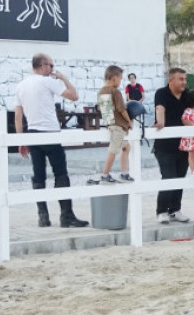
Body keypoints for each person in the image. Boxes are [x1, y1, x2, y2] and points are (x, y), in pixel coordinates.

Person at [15, 53, 89, 228]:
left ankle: (43, 216)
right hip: (50, 132)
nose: (52, 69)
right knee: (60, 173)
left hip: (32, 133)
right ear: (43, 66)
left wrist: (20, 139)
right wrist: (63, 78)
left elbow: (18, 116)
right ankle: (66, 215)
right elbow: (74, 96)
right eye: (51, 65)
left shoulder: (21, 86)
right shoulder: (47, 81)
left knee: (38, 175)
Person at [153, 67, 192, 224]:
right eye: (180, 79)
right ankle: (161, 211)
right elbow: (160, 108)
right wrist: (160, 122)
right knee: (169, 177)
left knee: (181, 178)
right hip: (164, 146)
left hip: (183, 145)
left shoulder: (187, 95)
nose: (184, 82)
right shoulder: (161, 93)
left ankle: (175, 210)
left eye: (185, 79)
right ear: (171, 80)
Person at [96, 65, 134, 184]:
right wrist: (129, 121)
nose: (120, 81)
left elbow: (104, 110)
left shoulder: (101, 92)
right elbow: (122, 109)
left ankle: (124, 173)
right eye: (120, 79)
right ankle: (105, 175)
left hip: (110, 124)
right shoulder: (115, 91)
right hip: (118, 127)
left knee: (126, 147)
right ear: (114, 78)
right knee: (113, 150)